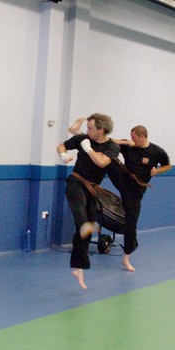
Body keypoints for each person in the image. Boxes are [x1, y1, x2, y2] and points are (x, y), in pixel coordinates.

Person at [57, 113, 120, 289]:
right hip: (76, 183)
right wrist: (64, 156)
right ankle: (78, 264)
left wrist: (88, 149)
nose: (87, 131)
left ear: (101, 130)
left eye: (90, 128)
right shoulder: (83, 139)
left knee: (88, 228)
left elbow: (101, 163)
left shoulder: (112, 147)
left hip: (92, 189)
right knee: (83, 223)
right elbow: (61, 146)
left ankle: (78, 267)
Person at [109, 125, 171, 272]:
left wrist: (157, 171)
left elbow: (168, 165)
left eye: (134, 137)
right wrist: (125, 142)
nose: (132, 139)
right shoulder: (129, 146)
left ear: (142, 137)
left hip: (136, 189)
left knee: (131, 221)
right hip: (123, 179)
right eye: (131, 137)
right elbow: (108, 141)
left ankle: (126, 256)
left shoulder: (157, 151)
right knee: (108, 160)